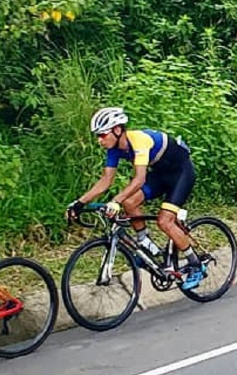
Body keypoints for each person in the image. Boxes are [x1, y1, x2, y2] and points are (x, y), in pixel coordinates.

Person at [65, 107, 205, 290]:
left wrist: (115, 200)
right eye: (97, 136)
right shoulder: (114, 149)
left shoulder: (138, 141)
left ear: (117, 130)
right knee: (130, 203)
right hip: (161, 174)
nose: (100, 140)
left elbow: (140, 179)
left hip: (181, 174)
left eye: (102, 135)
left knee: (165, 221)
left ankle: (196, 264)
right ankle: (146, 244)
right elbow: (106, 180)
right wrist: (79, 203)